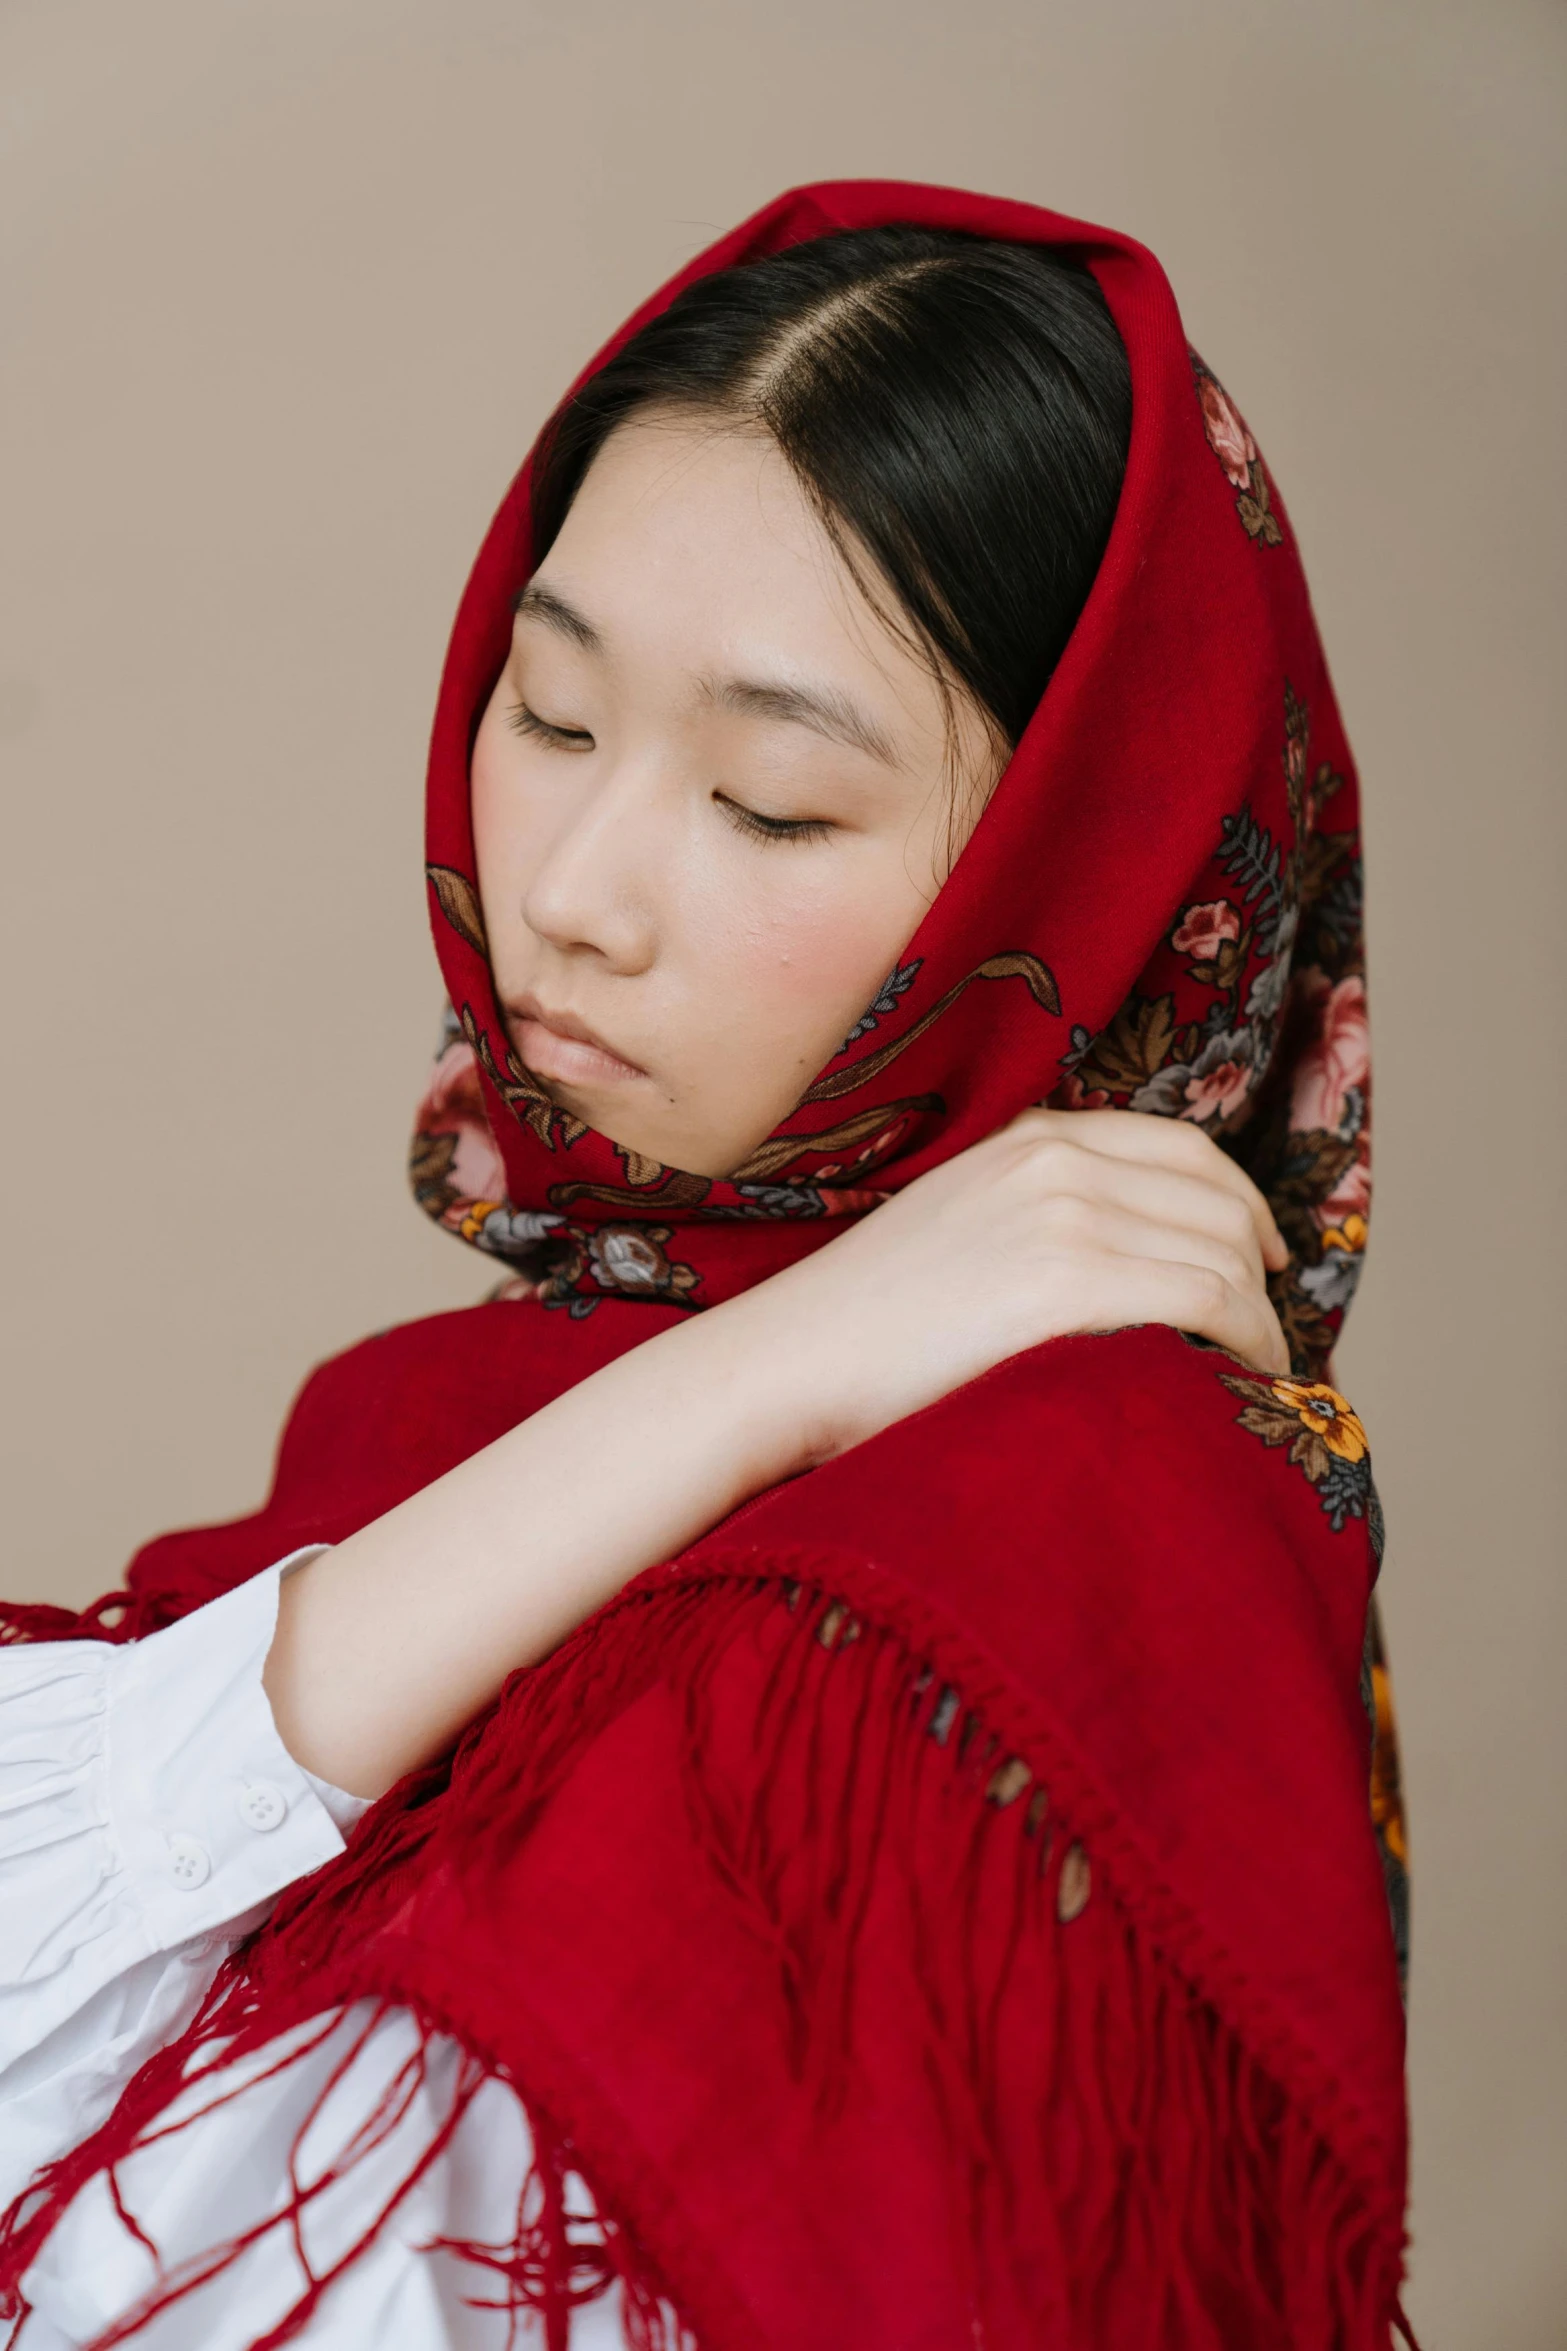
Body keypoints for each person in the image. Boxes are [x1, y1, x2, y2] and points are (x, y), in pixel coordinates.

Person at [0, 183, 1410, 2348]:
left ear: (1091, 860)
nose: (564, 888)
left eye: (765, 802)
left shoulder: (1071, 1533)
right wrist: (751, 1380)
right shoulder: (481, 1401)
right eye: (547, 715)